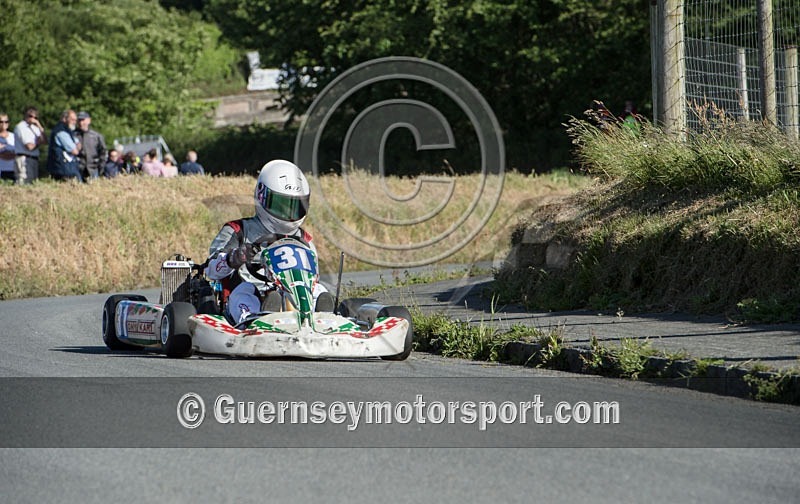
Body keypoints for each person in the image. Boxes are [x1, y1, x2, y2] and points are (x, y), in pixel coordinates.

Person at [204, 159, 333, 324]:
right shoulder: (239, 230)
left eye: (294, 206)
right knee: (245, 291)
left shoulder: (305, 240)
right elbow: (210, 270)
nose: (288, 213)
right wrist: (233, 258)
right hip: (252, 292)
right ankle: (253, 321)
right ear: (262, 196)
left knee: (319, 290)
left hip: (293, 295)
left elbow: (313, 278)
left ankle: (324, 320)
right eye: (281, 204)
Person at [46, 109, 83, 182]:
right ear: (64, 119)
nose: (74, 122)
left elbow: (79, 144)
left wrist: (76, 146)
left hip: (67, 167)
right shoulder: (61, 132)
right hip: (63, 168)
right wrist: (76, 147)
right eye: (72, 120)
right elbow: (74, 151)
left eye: (75, 120)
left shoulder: (68, 131)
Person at [13, 106, 47, 184]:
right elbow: (29, 146)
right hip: (24, 158)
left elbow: (45, 141)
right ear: (25, 115)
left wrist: (39, 126)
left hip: (34, 158)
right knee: (24, 182)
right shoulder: (21, 127)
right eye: (30, 116)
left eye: (35, 117)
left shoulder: (35, 128)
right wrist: (38, 143)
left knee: (33, 183)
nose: (32, 119)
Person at [76, 111, 107, 180]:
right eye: (79, 120)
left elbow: (103, 152)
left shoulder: (96, 136)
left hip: (93, 169)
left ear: (89, 120)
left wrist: (101, 166)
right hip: (78, 169)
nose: (81, 123)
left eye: (83, 120)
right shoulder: (73, 135)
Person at [0, 113, 16, 182]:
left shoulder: (13, 136)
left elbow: (18, 152)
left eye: (6, 121)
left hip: (13, 170)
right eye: (1, 121)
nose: (4, 123)